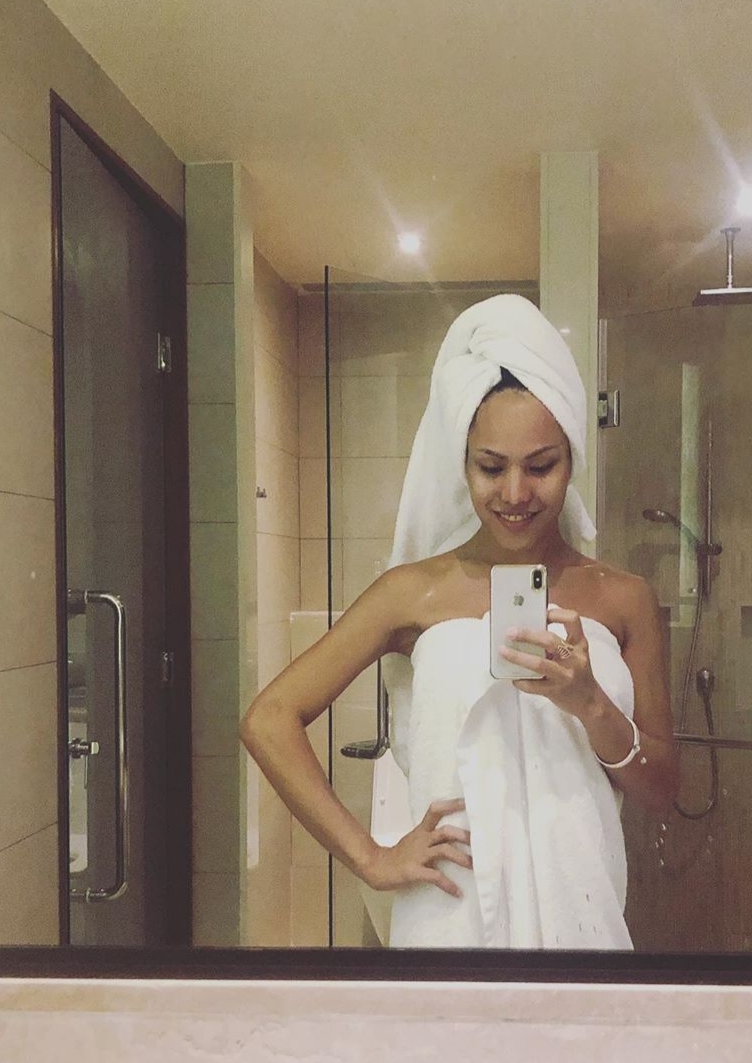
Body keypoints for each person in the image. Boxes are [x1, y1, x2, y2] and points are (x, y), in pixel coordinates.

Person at [240, 294, 677, 949]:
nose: (515, 494)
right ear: (462, 463)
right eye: (490, 467)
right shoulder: (412, 592)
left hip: (581, 925)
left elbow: (662, 789)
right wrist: (370, 856)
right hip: (446, 921)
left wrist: (591, 704)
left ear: (573, 458)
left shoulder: (624, 599)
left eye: (541, 465)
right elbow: (269, 719)